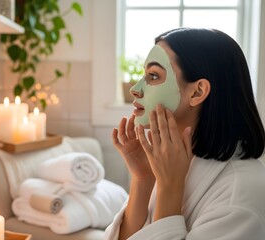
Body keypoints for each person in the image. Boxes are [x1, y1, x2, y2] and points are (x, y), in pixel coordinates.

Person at [105, 28, 265, 240]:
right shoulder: (170, 161)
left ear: (197, 92)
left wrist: (169, 188)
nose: (136, 89)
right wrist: (143, 179)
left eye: (153, 76)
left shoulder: (241, 195)